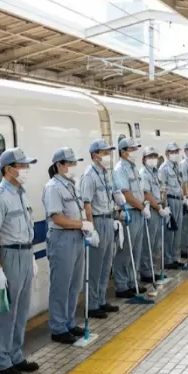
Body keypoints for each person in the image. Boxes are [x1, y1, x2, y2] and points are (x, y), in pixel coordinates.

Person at [0, 147, 40, 374]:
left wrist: (32, 256)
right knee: (5, 311)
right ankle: (1, 362)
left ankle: (15, 355)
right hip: (8, 257)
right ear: (9, 169)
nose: (26, 169)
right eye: (22, 166)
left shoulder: (20, 193)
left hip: (25, 255)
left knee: (21, 310)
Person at [42, 147, 95, 344]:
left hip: (77, 237)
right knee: (61, 284)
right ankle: (58, 327)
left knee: (74, 283)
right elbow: (57, 218)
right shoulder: (52, 188)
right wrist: (82, 224)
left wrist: (86, 227)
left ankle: (69, 322)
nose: (73, 167)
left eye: (74, 163)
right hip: (62, 239)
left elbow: (79, 209)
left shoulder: (71, 185)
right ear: (59, 165)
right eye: (69, 163)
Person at [79, 140, 121, 319]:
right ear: (95, 155)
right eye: (104, 152)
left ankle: (101, 299)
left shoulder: (105, 174)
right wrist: (91, 229)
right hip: (97, 221)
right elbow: (86, 204)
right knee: (95, 267)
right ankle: (93, 304)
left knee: (106, 264)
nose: (107, 156)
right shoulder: (89, 176)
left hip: (108, 219)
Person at [112, 137, 151, 298]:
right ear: (123, 152)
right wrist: (141, 207)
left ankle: (132, 282)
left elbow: (138, 189)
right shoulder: (120, 169)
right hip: (130, 213)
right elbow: (125, 193)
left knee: (136, 249)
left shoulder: (134, 167)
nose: (135, 152)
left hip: (139, 211)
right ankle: (122, 286)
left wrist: (144, 203)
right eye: (132, 149)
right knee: (125, 251)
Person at [139, 146, 171, 283]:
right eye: (150, 156)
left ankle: (153, 269)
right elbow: (146, 194)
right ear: (144, 159)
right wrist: (158, 208)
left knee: (156, 243)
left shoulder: (155, 172)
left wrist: (163, 205)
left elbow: (160, 190)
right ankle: (146, 272)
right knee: (149, 243)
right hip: (152, 210)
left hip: (158, 209)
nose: (153, 159)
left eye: (154, 156)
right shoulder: (144, 174)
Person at [158, 142, 187, 270]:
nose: (175, 154)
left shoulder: (178, 167)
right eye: (172, 152)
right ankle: (168, 259)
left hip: (179, 200)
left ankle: (175, 257)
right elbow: (162, 189)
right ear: (167, 154)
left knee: (178, 230)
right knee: (170, 231)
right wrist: (165, 206)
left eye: (176, 151)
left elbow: (182, 183)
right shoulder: (163, 169)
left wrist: (185, 198)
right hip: (170, 201)